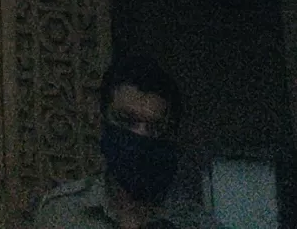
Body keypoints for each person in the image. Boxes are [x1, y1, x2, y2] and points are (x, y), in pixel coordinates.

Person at [32, 54, 219, 229]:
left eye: (155, 128)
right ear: (103, 120)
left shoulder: (195, 224)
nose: (140, 135)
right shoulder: (63, 213)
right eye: (126, 121)